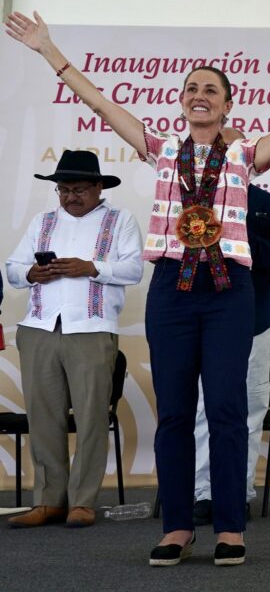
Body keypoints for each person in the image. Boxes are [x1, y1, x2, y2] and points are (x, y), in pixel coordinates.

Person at [6, 10, 270, 566]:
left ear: (228, 105)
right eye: (191, 89)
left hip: (230, 289)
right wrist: (48, 50)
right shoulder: (161, 150)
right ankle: (179, 526)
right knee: (176, 414)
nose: (199, 95)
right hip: (172, 290)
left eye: (210, 89)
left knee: (230, 409)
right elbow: (101, 104)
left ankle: (231, 527)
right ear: (182, 103)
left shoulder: (242, 155)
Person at [5, 150, 143, 529]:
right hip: (40, 328)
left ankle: (82, 502)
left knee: (91, 417)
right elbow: (12, 269)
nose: (70, 197)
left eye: (79, 189)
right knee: (43, 417)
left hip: (92, 328)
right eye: (63, 190)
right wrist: (33, 273)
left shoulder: (120, 220)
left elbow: (135, 269)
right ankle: (49, 500)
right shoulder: (43, 221)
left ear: (99, 188)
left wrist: (93, 268)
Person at [193, 183, 270, 523]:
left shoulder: (265, 202)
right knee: (205, 408)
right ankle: (204, 493)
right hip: (203, 319)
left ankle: (238, 492)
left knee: (249, 410)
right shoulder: (190, 198)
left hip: (254, 320)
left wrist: (239, 237)